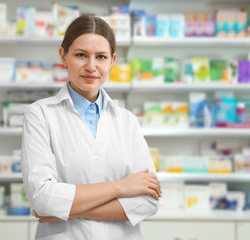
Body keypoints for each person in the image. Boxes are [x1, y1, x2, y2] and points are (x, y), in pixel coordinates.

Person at [21, 15, 161, 240]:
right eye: (81, 55)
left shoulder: (127, 121)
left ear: (112, 61)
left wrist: (65, 209)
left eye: (101, 57)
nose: (91, 66)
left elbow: (148, 201)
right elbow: (43, 197)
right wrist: (121, 187)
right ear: (63, 55)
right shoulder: (40, 115)